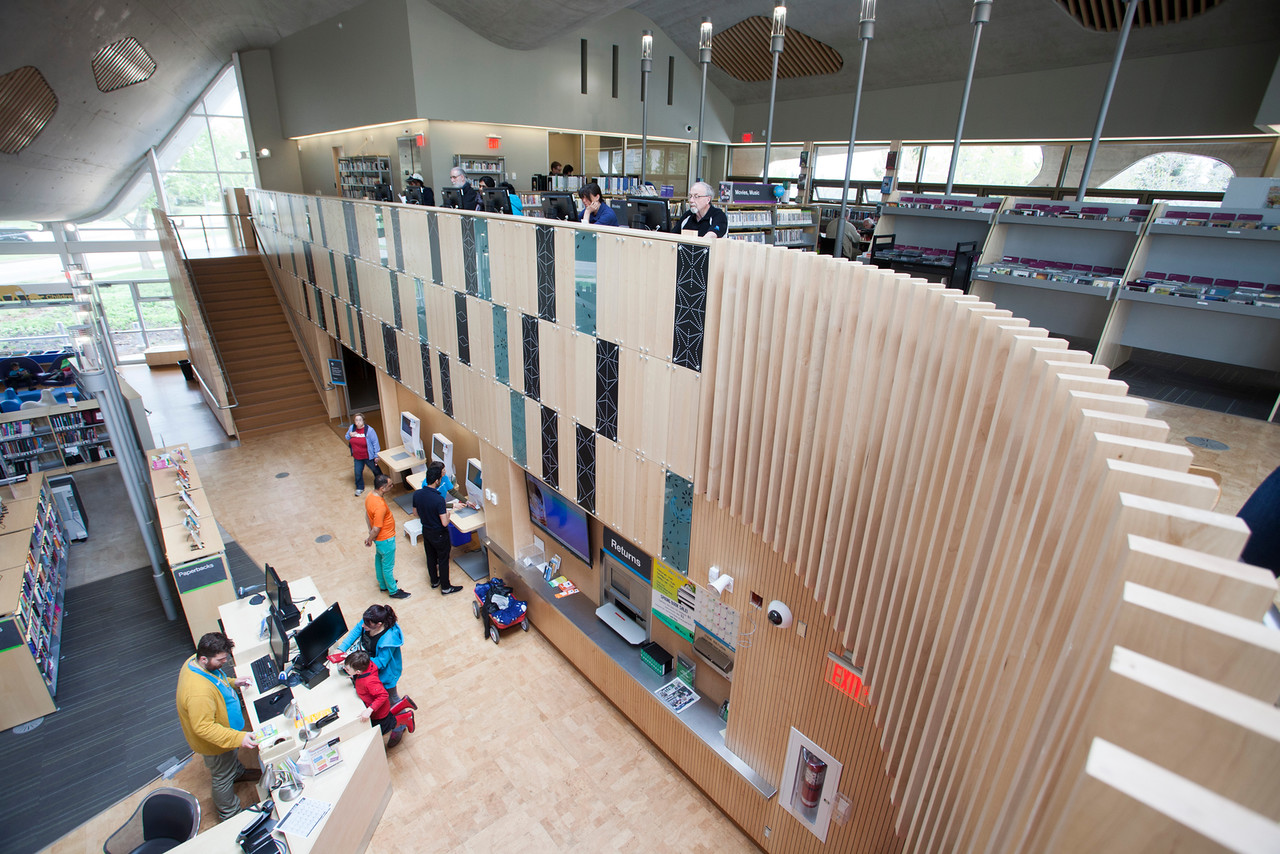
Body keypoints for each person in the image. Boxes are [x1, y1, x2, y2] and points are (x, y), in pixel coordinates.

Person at [175, 632, 259, 822]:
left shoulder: (196, 661)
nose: (224, 663)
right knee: (222, 777)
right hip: (216, 742)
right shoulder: (198, 693)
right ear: (204, 658)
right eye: (221, 660)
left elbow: (217, 681)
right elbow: (204, 728)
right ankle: (229, 813)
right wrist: (239, 738)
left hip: (227, 732)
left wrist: (232, 683)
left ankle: (237, 773)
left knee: (229, 763)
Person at [342, 650, 416, 748]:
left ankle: (406, 718)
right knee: (388, 717)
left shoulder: (369, 682)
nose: (345, 669)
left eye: (347, 669)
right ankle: (404, 703)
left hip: (378, 711)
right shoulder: (367, 666)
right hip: (379, 707)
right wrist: (354, 675)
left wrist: (369, 710)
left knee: (385, 727)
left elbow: (383, 695)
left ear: (358, 671)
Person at [413, 461, 466, 595]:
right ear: (437, 480)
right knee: (443, 559)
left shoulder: (417, 494)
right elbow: (444, 522)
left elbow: (415, 513)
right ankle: (446, 587)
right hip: (439, 533)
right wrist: (447, 514)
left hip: (426, 530)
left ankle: (434, 581)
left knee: (430, 556)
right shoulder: (438, 500)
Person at [337, 603, 406, 704]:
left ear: (379, 624)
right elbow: (356, 631)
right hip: (366, 663)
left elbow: (381, 663)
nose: (363, 625)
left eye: (367, 625)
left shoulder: (389, 640)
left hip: (385, 674)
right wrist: (341, 649)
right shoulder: (368, 622)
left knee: (392, 699)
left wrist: (354, 663)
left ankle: (404, 716)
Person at [364, 473, 409, 599]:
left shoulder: (369, 496)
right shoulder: (380, 506)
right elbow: (377, 528)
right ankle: (393, 591)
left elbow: (367, 515)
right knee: (388, 566)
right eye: (390, 485)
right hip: (386, 540)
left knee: (379, 560)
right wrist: (370, 538)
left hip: (380, 541)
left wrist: (370, 534)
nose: (392, 487)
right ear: (382, 488)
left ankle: (383, 584)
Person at [345, 413, 381, 496]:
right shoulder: (352, 428)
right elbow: (347, 437)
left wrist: (376, 455)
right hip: (357, 456)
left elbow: (375, 443)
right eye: (356, 420)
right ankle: (359, 487)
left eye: (360, 420)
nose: (358, 422)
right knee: (357, 472)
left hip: (368, 456)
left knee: (376, 470)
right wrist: (350, 435)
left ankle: (381, 484)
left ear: (363, 421)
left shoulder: (369, 430)